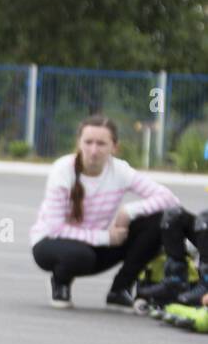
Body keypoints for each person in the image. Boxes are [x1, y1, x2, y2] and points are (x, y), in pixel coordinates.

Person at [29, 115, 179, 308]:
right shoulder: (62, 170)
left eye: (101, 144)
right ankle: (60, 282)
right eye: (88, 142)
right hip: (51, 243)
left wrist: (128, 211)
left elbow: (169, 199)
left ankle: (120, 289)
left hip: (94, 245)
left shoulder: (120, 171)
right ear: (79, 143)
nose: (93, 150)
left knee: (158, 220)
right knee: (80, 255)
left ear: (114, 147)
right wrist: (106, 238)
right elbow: (55, 228)